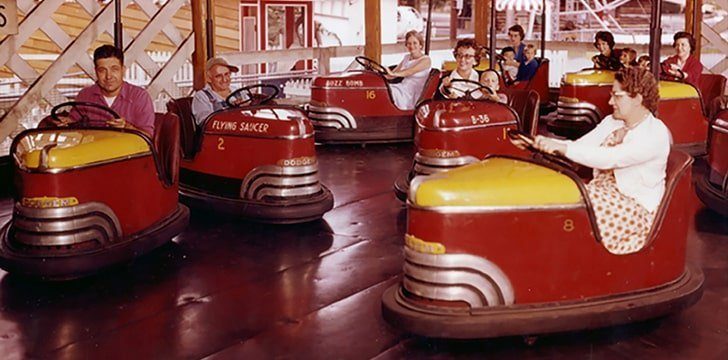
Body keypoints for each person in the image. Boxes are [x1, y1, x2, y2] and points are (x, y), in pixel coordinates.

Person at [515, 67, 670, 255]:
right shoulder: (612, 122)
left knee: (571, 207)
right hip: (603, 191)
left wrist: (561, 148)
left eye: (617, 96)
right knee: (555, 195)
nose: (610, 101)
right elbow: (581, 146)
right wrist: (540, 143)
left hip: (634, 207)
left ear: (637, 99)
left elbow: (611, 158)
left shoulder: (655, 134)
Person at [58, 45, 155, 136]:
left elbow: (148, 136)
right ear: (96, 72)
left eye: (114, 69)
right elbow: (74, 125)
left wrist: (126, 127)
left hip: (128, 152)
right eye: (102, 70)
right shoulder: (85, 95)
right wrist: (67, 123)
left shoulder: (140, 96)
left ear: (123, 70)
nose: (108, 76)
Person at [191, 57, 248, 125]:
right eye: (218, 76)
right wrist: (232, 111)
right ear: (209, 79)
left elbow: (252, 113)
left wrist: (246, 107)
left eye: (227, 74)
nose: (224, 80)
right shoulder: (201, 97)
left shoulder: (239, 91)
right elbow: (206, 123)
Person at [386, 30, 432, 110]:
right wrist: (378, 74)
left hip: (413, 93)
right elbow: (391, 75)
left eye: (415, 43)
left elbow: (409, 72)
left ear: (420, 45)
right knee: (382, 89)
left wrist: (393, 74)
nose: (411, 46)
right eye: (409, 43)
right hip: (403, 88)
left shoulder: (426, 60)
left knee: (387, 92)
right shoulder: (407, 57)